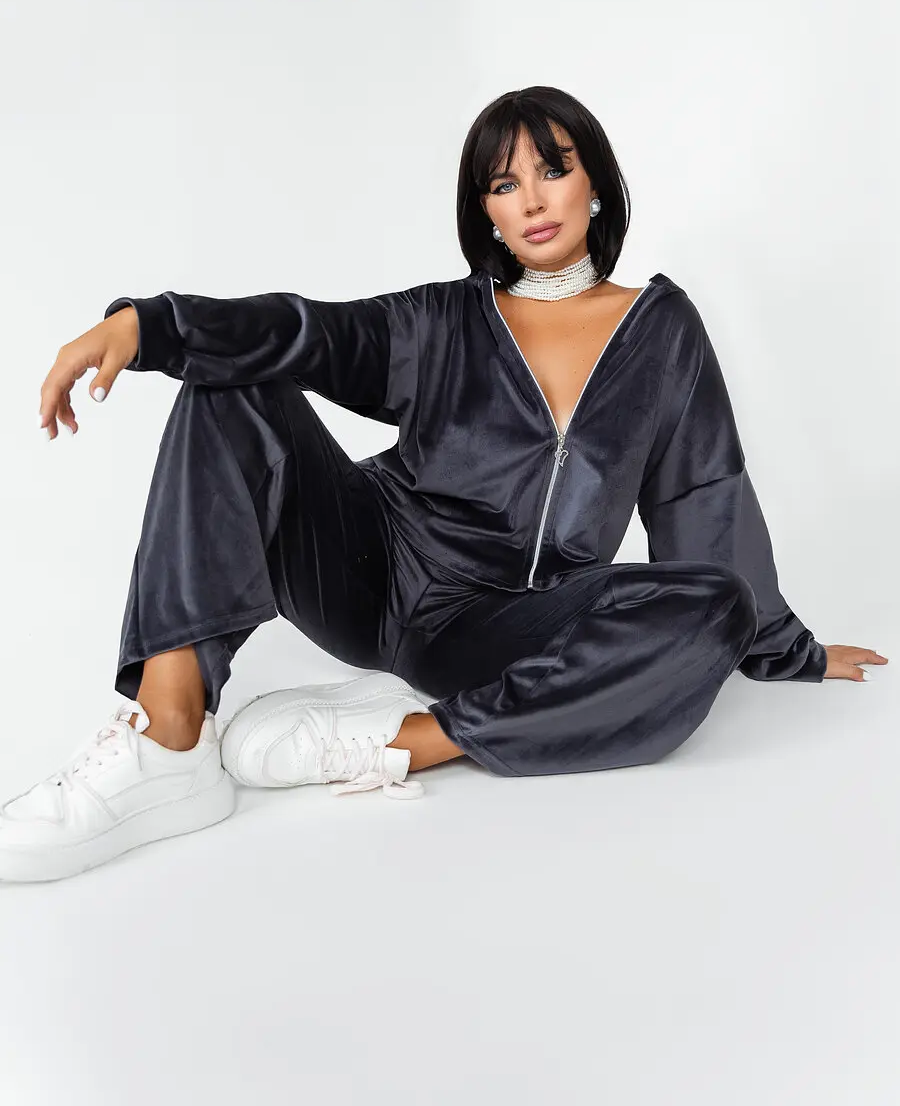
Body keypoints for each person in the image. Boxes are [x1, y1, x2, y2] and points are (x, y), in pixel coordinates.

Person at [5, 85, 886, 883]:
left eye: (553, 170)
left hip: (504, 627)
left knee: (716, 605)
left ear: (596, 184)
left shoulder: (662, 329)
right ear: (486, 212)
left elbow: (703, 492)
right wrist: (149, 326)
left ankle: (411, 737)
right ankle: (169, 742)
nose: (532, 200)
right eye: (504, 184)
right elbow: (308, 332)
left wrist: (781, 647)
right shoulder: (444, 320)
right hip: (371, 574)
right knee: (232, 386)